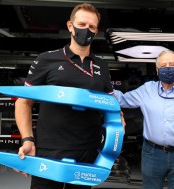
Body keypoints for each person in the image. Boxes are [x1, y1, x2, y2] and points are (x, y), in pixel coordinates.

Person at [14, 3, 115, 189]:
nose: (86, 30)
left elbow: (110, 105)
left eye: (92, 27)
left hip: (88, 152)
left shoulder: (102, 66)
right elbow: (24, 102)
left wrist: (118, 124)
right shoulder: (46, 59)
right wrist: (27, 139)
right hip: (49, 151)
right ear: (70, 25)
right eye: (82, 24)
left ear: (97, 31)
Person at [114, 50, 174, 189]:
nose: (168, 68)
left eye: (172, 64)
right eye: (163, 66)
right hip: (152, 154)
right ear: (157, 71)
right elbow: (122, 100)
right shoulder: (147, 90)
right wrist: (101, 86)